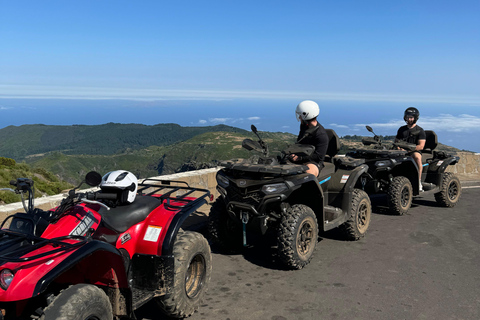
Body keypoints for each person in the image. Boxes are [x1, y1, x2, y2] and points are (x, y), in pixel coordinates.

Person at [289, 100, 329, 177]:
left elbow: (319, 156)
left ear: (305, 115)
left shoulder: (321, 135)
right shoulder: (304, 126)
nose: (299, 117)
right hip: (300, 157)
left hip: (313, 162)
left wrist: (299, 158)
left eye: (300, 115)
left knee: (306, 176)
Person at [395, 107, 426, 191]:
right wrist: (399, 148)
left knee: (417, 158)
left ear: (415, 118)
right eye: (407, 117)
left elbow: (421, 146)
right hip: (402, 151)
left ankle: (418, 181)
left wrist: (410, 150)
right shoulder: (402, 129)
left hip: (414, 151)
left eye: (411, 117)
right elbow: (397, 141)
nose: (409, 119)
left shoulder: (420, 131)